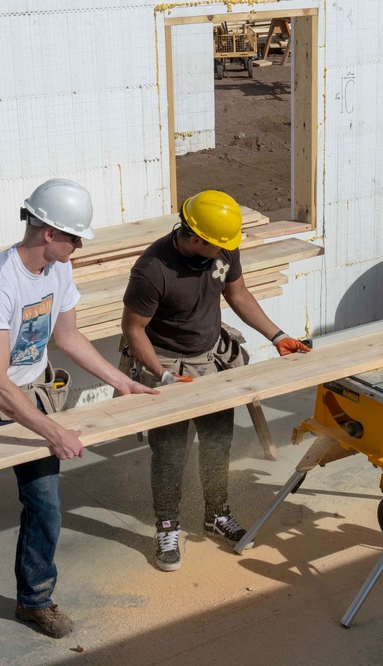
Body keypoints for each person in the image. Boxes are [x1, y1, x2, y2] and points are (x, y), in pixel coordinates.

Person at [0, 179, 158, 666]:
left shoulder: (56, 271)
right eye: (75, 237)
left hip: (30, 394)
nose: (80, 245)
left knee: (45, 507)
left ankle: (33, 600)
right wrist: (54, 431)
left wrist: (124, 381)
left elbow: (68, 338)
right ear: (49, 232)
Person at [120, 189, 309, 572]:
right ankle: (167, 524)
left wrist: (277, 336)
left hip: (211, 358)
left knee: (218, 440)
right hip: (166, 362)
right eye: (218, 246)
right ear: (194, 238)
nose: (225, 252)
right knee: (172, 450)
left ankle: (216, 513)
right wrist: (163, 376)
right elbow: (133, 329)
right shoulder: (152, 269)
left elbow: (237, 294)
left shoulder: (222, 246)